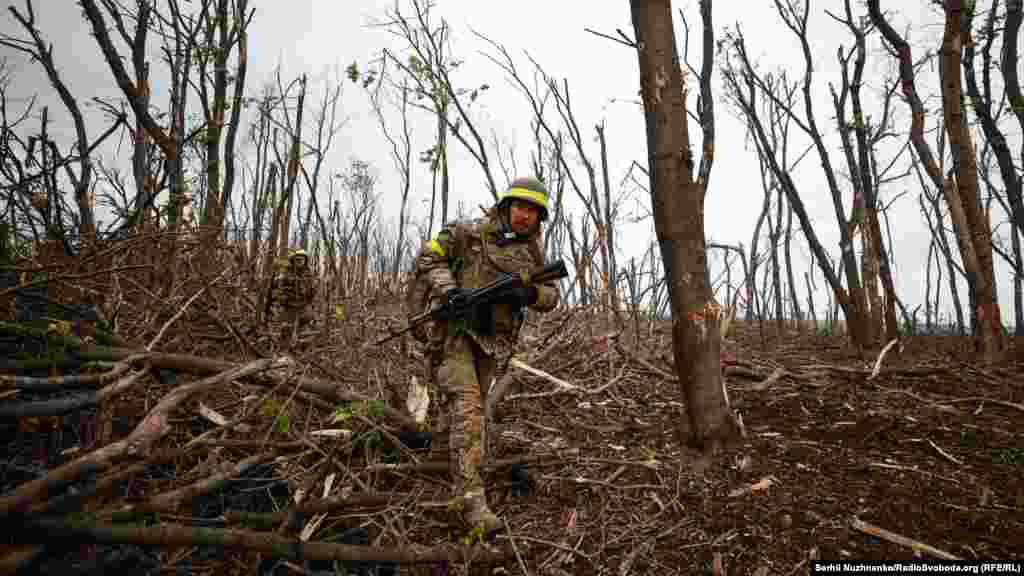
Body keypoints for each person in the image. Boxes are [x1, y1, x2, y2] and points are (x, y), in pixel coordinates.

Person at [412, 176, 560, 535]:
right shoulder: (468, 233)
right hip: (455, 334)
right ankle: (470, 501)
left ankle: (436, 463)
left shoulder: (532, 254)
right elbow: (428, 256)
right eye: (520, 206)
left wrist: (527, 295)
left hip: (492, 343)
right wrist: (449, 291)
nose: (525, 216)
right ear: (506, 206)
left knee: (463, 411)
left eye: (533, 211)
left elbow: (551, 296)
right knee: (468, 407)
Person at [271, 249, 316, 341]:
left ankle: (301, 346)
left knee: (304, 331)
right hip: (289, 306)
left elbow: (313, 291)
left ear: (305, 261)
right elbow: (277, 287)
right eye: (297, 259)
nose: (300, 262)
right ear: (293, 260)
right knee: (285, 331)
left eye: (302, 259)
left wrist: (310, 302)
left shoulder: (309, 274)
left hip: (303, 306)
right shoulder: (286, 273)